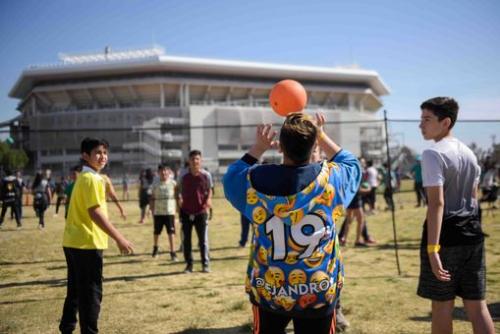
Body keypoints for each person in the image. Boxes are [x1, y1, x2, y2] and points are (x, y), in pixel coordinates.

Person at [223, 112, 361, 334]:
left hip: (269, 290)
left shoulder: (254, 180)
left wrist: (258, 148)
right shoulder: (330, 180)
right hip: (318, 288)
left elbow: (231, 177)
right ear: (313, 144)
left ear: (280, 147)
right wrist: (322, 135)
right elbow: (351, 163)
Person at [417, 97, 494, 334]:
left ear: (446, 122)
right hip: (472, 234)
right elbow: (473, 199)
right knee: (477, 305)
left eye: (427, 119)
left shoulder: (432, 153)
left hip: (446, 237)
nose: (421, 125)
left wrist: (433, 249)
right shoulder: (470, 154)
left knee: (441, 307)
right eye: (421, 119)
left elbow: (437, 203)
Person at [59, 137, 134, 334]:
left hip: (73, 242)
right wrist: (119, 238)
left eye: (105, 152)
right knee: (91, 294)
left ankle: (66, 329)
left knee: (75, 291)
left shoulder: (83, 178)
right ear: (85, 156)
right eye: (97, 153)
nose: (102, 156)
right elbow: (95, 212)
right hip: (87, 243)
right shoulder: (92, 179)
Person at [177, 150, 213, 273]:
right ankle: (189, 265)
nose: (195, 161)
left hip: (201, 211)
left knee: (203, 240)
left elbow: (210, 190)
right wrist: (179, 199)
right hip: (186, 211)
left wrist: (208, 199)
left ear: (200, 160)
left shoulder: (206, 175)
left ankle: (205, 264)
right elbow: (178, 190)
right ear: (189, 161)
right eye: (192, 159)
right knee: (186, 240)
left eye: (197, 159)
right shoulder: (183, 175)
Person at [150, 164, 178, 261]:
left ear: (169, 172)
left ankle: (173, 252)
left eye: (166, 170)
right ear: (158, 172)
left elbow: (177, 197)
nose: (164, 172)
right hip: (158, 212)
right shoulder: (155, 184)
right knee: (157, 232)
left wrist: (177, 210)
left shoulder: (173, 184)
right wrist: (151, 210)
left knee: (171, 233)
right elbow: (152, 198)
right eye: (161, 170)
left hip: (170, 212)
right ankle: (155, 248)